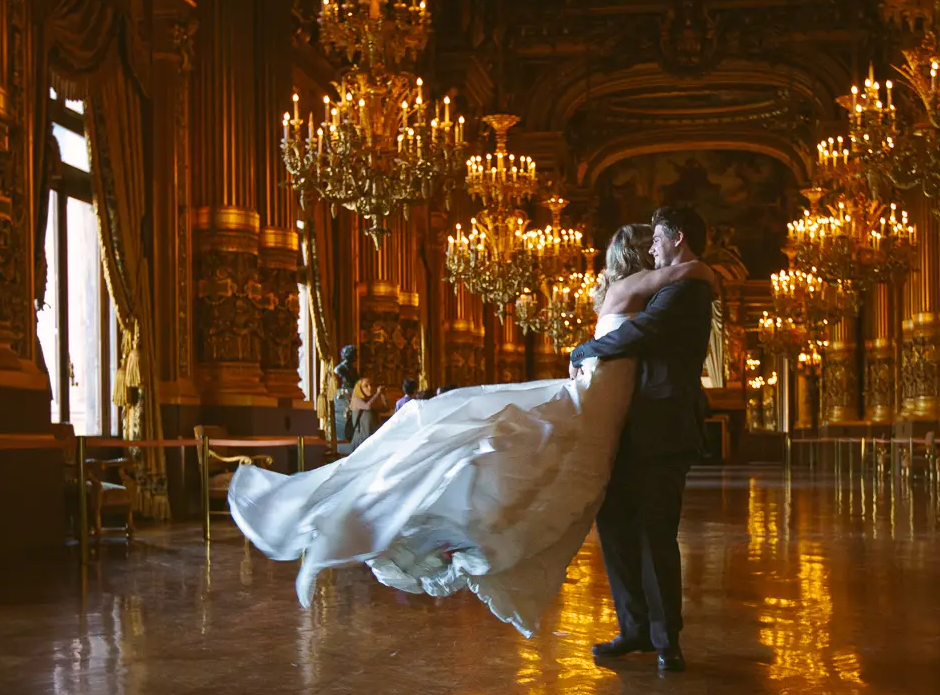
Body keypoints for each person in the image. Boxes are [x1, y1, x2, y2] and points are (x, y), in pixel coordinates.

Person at [227, 221, 716, 641]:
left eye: (659, 241)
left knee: (552, 485)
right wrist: (703, 266)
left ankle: (635, 624)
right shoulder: (637, 288)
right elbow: (688, 274)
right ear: (637, 254)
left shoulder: (636, 290)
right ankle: (452, 527)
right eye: (650, 243)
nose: (656, 249)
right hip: (596, 400)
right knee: (521, 458)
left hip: (613, 410)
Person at [569, 205, 714, 673]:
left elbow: (640, 334)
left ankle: (665, 638)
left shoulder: (689, 288)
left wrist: (584, 348)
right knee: (615, 530)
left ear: (678, 237)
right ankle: (633, 628)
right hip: (628, 427)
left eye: (657, 238)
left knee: (655, 535)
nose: (651, 247)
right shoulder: (670, 283)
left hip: (663, 427)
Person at [347, 378, 386, 449]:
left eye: (371, 385)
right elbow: (367, 406)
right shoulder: (356, 400)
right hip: (361, 440)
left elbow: (384, 409)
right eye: (366, 386)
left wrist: (383, 396)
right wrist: (377, 394)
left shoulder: (370, 400)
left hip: (372, 439)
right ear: (360, 388)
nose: (370, 387)